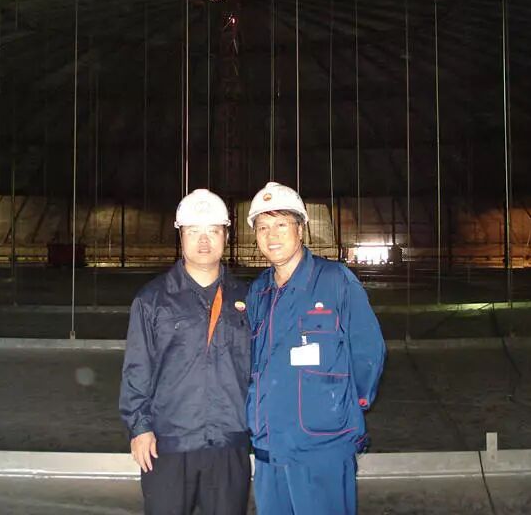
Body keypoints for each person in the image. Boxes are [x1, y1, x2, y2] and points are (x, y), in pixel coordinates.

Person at [245, 182, 387, 515]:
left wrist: (343, 406)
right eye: (263, 227)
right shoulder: (258, 291)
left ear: (300, 229)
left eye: (281, 224)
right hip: (269, 447)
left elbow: (368, 351)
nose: (272, 235)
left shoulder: (336, 281)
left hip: (323, 447)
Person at [119, 189, 251, 515]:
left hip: (228, 442)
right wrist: (139, 428)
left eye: (213, 231)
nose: (203, 241)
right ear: (180, 236)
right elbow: (137, 369)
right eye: (193, 232)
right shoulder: (152, 300)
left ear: (226, 236)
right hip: (169, 443)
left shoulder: (249, 298)